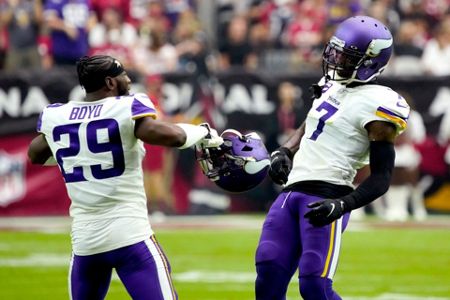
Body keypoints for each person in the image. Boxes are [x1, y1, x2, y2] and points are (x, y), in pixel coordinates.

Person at [27, 55, 222, 300]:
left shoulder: (60, 115)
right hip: (130, 236)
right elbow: (164, 135)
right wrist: (201, 132)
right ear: (110, 83)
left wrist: (80, 151)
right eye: (123, 75)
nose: (128, 80)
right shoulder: (126, 106)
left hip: (86, 245)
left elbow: (34, 154)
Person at [255, 16, 410, 299]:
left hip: (327, 195)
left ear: (370, 62)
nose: (335, 58)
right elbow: (311, 122)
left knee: (314, 286)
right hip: (290, 194)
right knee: (268, 274)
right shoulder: (330, 84)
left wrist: (342, 205)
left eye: (346, 55)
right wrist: (285, 150)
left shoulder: (380, 104)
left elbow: (382, 178)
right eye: (335, 50)